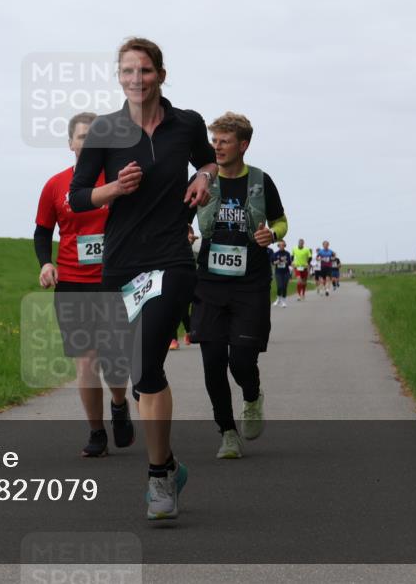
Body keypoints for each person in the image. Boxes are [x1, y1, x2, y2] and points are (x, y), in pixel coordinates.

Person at [69, 37, 216, 520]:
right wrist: (115, 187)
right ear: (119, 77)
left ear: (161, 74)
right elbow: (77, 196)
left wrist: (204, 178)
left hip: (172, 258)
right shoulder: (105, 131)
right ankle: (171, 464)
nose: (137, 78)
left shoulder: (187, 123)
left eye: (146, 70)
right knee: (137, 369)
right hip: (122, 262)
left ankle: (157, 481)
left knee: (147, 362)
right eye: (128, 71)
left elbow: (207, 160)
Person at [34, 112, 134, 458]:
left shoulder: (119, 181)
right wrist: (46, 262)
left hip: (115, 282)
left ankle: (119, 404)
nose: (87, 143)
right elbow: (43, 231)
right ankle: (96, 431)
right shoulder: (56, 184)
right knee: (87, 361)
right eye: (81, 137)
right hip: (73, 283)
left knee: (115, 359)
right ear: (70, 143)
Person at [193, 111, 288, 460]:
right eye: (213, 140)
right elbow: (179, 217)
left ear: (243, 145)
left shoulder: (261, 180)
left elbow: (281, 220)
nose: (216, 147)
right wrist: (184, 232)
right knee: (213, 360)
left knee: (242, 361)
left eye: (224, 141)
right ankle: (227, 432)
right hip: (208, 283)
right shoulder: (203, 179)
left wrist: (271, 234)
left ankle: (252, 395)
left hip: (250, 284)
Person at [271, 240, 293, 307]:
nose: (281, 246)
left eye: (283, 245)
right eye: (280, 245)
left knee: (284, 287)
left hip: (286, 272)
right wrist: (279, 261)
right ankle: (278, 299)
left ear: (284, 246)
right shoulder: (275, 254)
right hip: (278, 272)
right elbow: (273, 263)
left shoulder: (287, 253)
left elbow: (289, 263)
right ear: (278, 246)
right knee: (280, 286)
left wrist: (285, 261)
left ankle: (283, 301)